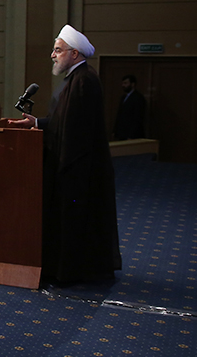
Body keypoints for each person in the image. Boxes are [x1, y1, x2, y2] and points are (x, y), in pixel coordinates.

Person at [7, 25, 121, 283]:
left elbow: (77, 130)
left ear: (74, 53)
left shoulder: (84, 80)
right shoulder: (75, 78)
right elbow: (63, 121)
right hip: (71, 164)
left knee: (73, 221)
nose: (52, 55)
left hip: (77, 168)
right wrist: (37, 123)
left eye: (58, 50)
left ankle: (69, 272)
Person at [113, 74, 146, 140]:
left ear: (132, 84)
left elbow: (137, 117)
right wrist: (115, 131)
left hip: (131, 133)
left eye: (125, 83)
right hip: (121, 132)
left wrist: (132, 135)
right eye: (123, 83)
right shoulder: (123, 97)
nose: (123, 85)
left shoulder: (138, 98)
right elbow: (119, 115)